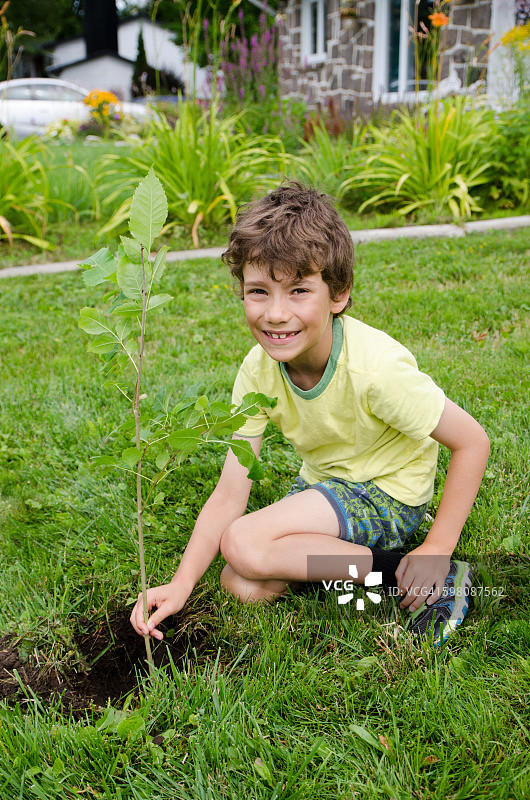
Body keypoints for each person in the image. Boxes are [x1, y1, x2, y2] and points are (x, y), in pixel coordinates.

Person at [130, 183, 490, 647]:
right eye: (259, 291)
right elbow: (229, 493)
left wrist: (437, 548)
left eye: (298, 290)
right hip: (326, 486)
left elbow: (472, 441)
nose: (276, 314)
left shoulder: (375, 369)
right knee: (241, 584)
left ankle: (419, 574)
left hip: (387, 494)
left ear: (337, 294)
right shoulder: (257, 372)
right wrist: (180, 585)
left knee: (243, 544)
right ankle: (370, 571)